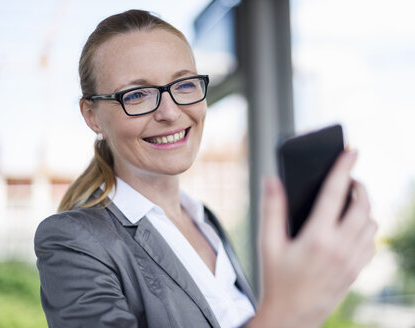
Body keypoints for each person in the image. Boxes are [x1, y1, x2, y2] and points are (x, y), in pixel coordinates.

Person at [34, 9, 377, 328]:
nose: (169, 112)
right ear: (92, 115)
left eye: (184, 85)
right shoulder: (72, 240)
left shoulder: (206, 222)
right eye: (137, 94)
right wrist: (285, 313)